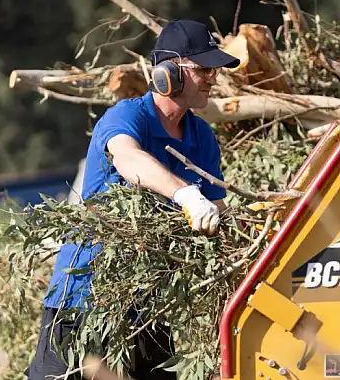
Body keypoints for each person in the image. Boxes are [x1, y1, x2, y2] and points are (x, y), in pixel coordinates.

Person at [25, 19, 241, 380]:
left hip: (148, 298)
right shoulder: (127, 116)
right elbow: (128, 158)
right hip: (85, 292)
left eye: (214, 70)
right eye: (204, 69)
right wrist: (186, 194)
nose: (212, 78)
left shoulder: (201, 136)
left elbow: (217, 209)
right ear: (168, 74)